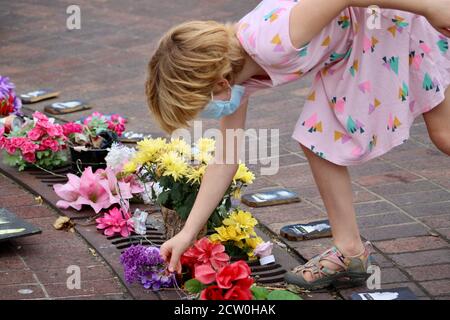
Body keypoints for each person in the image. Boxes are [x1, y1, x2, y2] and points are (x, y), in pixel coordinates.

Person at [146, 0, 450, 290]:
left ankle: (349, 249)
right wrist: (187, 234)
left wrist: (429, 6)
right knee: (319, 135)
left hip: (382, 23)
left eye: (202, 107)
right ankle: (349, 251)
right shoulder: (237, 71)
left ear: (220, 84)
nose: (208, 114)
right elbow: (226, 158)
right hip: (353, 44)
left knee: (443, 134)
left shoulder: (273, 40)